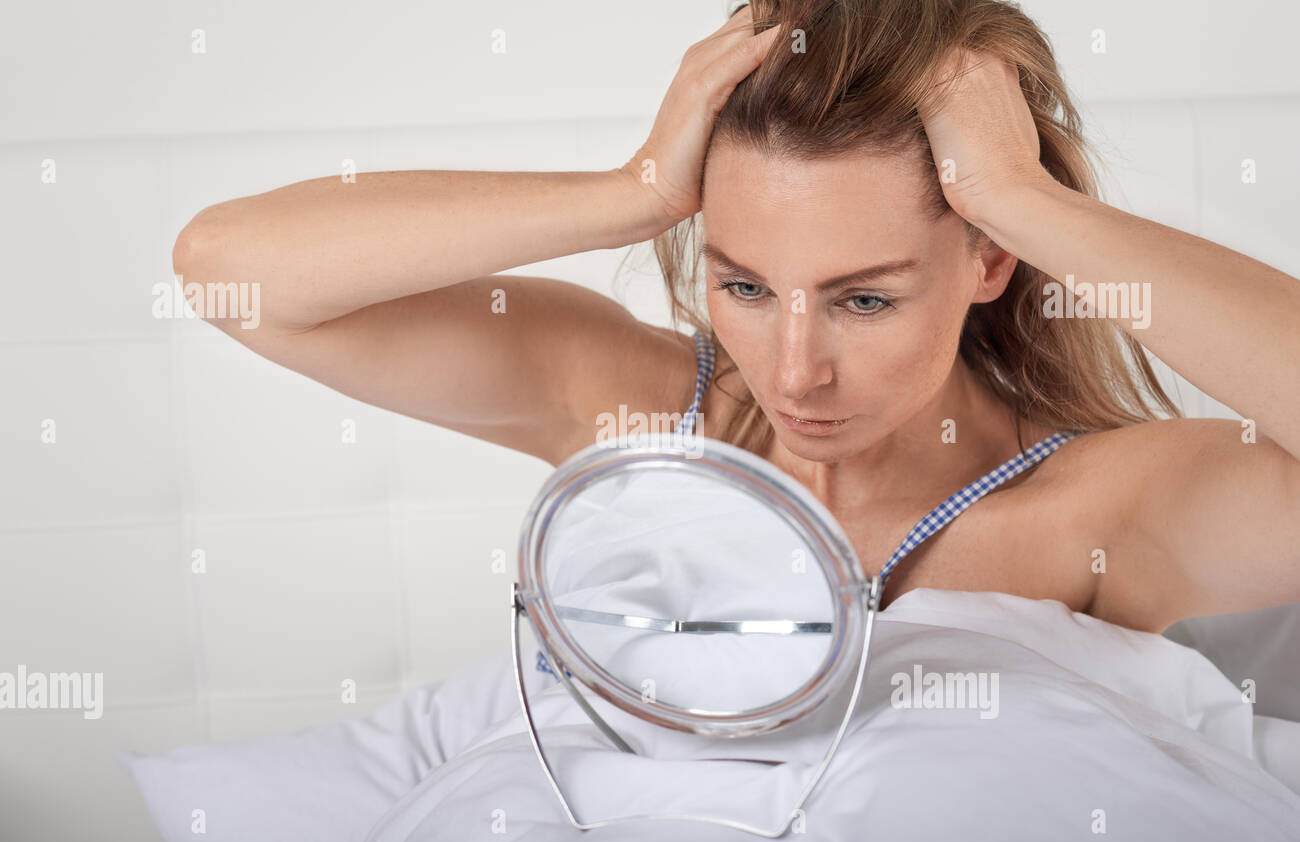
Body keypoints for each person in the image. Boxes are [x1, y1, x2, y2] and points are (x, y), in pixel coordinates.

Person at [172, 0, 1300, 635]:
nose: (792, 369)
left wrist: (1019, 195)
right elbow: (231, 270)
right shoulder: (646, 407)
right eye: (746, 285)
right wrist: (635, 192)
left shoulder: (1101, 508)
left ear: (992, 263)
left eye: (864, 298)